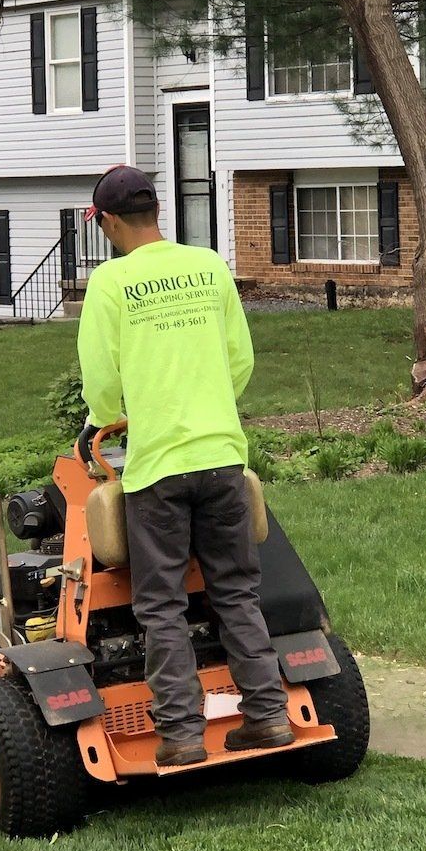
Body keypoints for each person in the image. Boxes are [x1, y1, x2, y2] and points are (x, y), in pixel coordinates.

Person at [75, 165, 293, 768]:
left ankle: (182, 735)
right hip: (224, 456)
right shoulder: (208, 266)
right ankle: (269, 716)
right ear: (156, 213)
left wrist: (106, 418)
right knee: (237, 593)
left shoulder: (111, 283)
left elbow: (102, 376)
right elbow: (238, 360)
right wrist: (210, 406)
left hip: (159, 470)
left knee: (161, 605)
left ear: (110, 221)